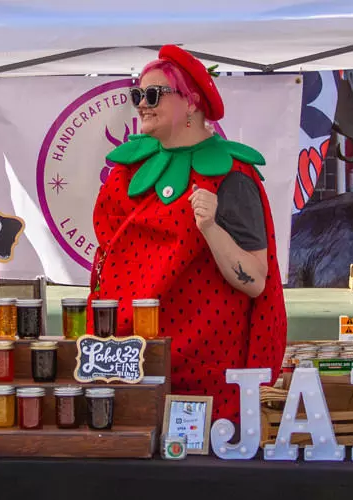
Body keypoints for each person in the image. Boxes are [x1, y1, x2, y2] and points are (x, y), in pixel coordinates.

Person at [89, 45, 287, 421]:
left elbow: (256, 281)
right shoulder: (127, 173)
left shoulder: (231, 175)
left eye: (153, 95)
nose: (142, 104)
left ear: (192, 103)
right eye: (137, 95)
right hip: (133, 357)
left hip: (205, 374)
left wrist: (211, 228)